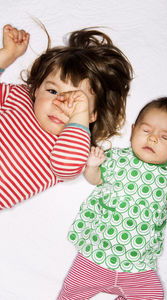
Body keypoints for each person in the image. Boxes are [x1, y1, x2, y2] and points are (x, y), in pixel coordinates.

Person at [58, 97, 167, 300]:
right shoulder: (118, 159)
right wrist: (92, 166)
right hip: (96, 255)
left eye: (164, 137)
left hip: (138, 266)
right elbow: (96, 180)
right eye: (146, 131)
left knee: (154, 295)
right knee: (72, 291)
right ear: (133, 131)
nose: (152, 138)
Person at [0, 24, 133, 210]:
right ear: (37, 89)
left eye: (77, 102)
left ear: (91, 115)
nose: (60, 103)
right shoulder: (19, 96)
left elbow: (66, 166)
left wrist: (79, 117)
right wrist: (7, 55)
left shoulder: (75, 146)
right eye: (53, 91)